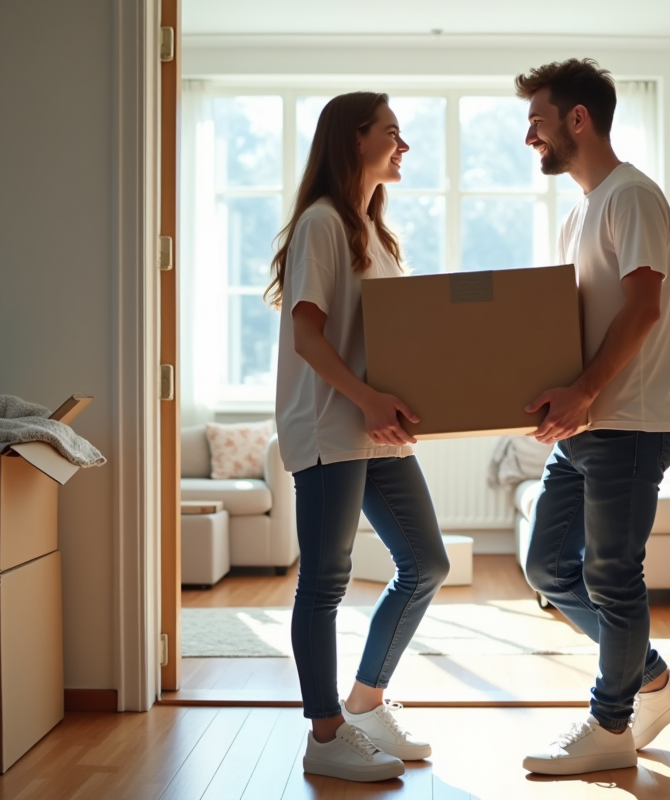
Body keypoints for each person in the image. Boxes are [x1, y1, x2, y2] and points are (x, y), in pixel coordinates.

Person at [514, 59, 670, 775]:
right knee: (549, 567)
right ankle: (649, 674)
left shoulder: (633, 197)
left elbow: (644, 307)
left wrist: (587, 392)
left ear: (577, 120)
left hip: (632, 422)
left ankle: (611, 724)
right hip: (591, 424)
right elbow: (576, 323)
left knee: (614, 577)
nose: (531, 136)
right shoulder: (578, 212)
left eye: (538, 121)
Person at [266, 91, 449, 783]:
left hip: (376, 429)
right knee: (324, 582)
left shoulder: (374, 232)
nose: (404, 147)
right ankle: (325, 734)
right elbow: (308, 336)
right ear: (353, 140)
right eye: (392, 133)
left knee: (425, 564)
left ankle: (366, 702)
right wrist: (368, 397)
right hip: (332, 427)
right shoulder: (321, 224)